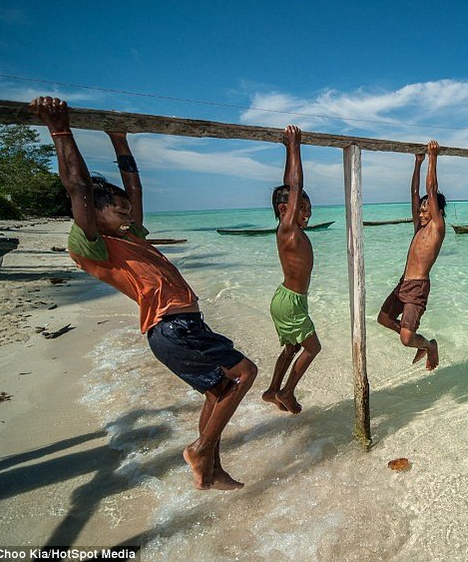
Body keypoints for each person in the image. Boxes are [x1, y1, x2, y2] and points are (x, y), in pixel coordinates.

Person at [30, 96, 258, 491]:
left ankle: (210, 467)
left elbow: (133, 190)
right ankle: (202, 448)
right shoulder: (91, 242)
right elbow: (79, 187)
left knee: (220, 389)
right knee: (245, 373)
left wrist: (120, 141)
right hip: (172, 328)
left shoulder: (126, 234)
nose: (129, 216)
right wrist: (60, 128)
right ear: (94, 212)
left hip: (182, 326)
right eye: (119, 212)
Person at [261, 125, 321, 414]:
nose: (307, 213)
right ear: (285, 210)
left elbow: (291, 188)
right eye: (302, 208)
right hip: (290, 303)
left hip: (289, 299)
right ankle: (287, 392)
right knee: (312, 348)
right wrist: (295, 146)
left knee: (292, 348)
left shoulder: (289, 228)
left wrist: (287, 148)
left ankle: (272, 390)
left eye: (309, 208)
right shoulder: (287, 229)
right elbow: (293, 186)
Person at [377, 140, 445, 370]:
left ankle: (428, 345)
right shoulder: (419, 226)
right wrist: (417, 163)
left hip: (418, 287)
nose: (421, 212)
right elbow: (415, 193)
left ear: (437, 212)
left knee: (405, 339)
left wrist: (432, 158)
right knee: (384, 319)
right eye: (421, 210)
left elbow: (430, 191)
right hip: (403, 283)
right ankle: (413, 336)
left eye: (426, 210)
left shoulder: (437, 227)